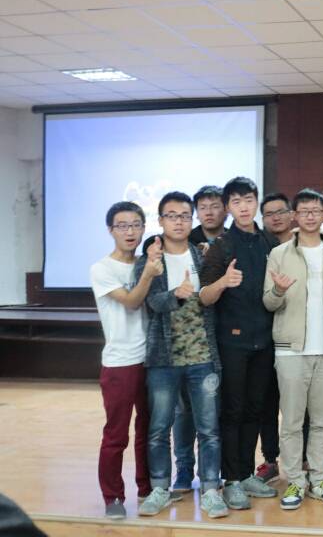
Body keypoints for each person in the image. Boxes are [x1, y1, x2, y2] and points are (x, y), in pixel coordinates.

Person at [134, 192, 229, 519]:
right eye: (171, 216)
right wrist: (175, 294)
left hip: (203, 357)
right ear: (160, 220)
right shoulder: (149, 260)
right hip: (163, 360)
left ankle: (212, 488)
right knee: (159, 428)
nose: (178, 222)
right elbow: (150, 302)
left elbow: (214, 298)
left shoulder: (202, 256)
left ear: (192, 220)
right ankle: (161, 487)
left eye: (185, 216)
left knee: (209, 429)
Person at [264, 188, 323, 509]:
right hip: (290, 350)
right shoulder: (279, 254)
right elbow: (269, 302)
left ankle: (319, 480)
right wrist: (278, 289)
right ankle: (294, 482)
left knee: (321, 421)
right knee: (291, 422)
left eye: (316, 211)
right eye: (304, 211)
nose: (310, 216)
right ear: (295, 216)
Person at [198, 177, 279, 510]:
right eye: (236, 202)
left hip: (265, 340)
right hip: (232, 341)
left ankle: (245, 474)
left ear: (256, 201)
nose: (243, 207)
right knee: (232, 411)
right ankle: (231, 479)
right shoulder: (222, 245)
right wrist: (223, 282)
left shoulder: (269, 241)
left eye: (248, 200)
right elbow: (204, 296)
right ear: (228, 208)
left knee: (255, 409)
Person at [90, 201, 160, 519]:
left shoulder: (147, 262)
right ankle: (113, 497)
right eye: (122, 225)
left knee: (150, 429)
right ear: (111, 230)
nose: (130, 231)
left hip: (152, 359)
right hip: (120, 363)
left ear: (143, 228)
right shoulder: (102, 269)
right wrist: (148, 274)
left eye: (135, 225)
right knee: (117, 434)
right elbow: (132, 302)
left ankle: (147, 489)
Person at [255, 192, 295, 484]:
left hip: (297, 336)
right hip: (264, 337)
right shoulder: (258, 246)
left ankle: (301, 459)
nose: (276, 218)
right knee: (267, 404)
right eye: (269, 214)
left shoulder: (305, 244)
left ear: (291, 214)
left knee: (299, 406)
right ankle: (271, 459)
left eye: (281, 211)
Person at [189, 185, 226, 252]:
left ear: (227, 210)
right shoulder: (185, 241)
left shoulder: (237, 240)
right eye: (203, 208)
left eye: (215, 207)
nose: (208, 213)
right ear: (197, 214)